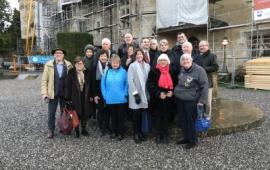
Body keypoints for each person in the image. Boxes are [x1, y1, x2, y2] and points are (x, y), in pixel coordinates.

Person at [174, 53, 208, 149]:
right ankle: (186, 137)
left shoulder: (199, 70)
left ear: (191, 60)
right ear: (181, 62)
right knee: (183, 120)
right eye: (183, 60)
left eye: (187, 59)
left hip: (191, 100)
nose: (185, 61)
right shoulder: (182, 69)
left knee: (190, 120)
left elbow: (204, 86)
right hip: (181, 99)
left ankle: (193, 140)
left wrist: (202, 100)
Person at [41, 48, 73, 139]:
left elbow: (72, 79)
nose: (58, 54)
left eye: (60, 53)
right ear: (54, 55)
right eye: (56, 53)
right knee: (51, 113)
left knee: (64, 112)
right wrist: (44, 93)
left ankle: (63, 127)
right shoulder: (49, 65)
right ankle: (51, 130)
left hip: (65, 93)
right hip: (52, 93)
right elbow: (44, 80)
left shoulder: (69, 65)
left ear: (63, 55)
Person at [147, 54, 175, 144]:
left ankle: (166, 135)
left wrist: (172, 91)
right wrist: (158, 93)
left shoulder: (172, 71)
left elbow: (176, 83)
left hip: (168, 99)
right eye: (161, 60)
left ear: (168, 62)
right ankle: (158, 135)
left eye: (164, 60)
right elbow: (150, 84)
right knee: (158, 118)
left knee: (167, 118)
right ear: (158, 61)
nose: (163, 62)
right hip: (157, 99)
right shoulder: (153, 71)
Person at [65, 56, 94, 138]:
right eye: (78, 63)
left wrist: (91, 95)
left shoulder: (87, 72)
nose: (80, 65)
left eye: (81, 63)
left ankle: (84, 129)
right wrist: (67, 99)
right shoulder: (71, 72)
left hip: (85, 96)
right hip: (75, 97)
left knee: (85, 114)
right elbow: (68, 86)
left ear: (83, 64)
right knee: (76, 114)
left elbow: (91, 85)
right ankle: (77, 130)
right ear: (75, 64)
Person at [101, 55, 128, 141]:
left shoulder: (124, 72)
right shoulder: (107, 72)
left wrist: (125, 93)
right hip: (110, 98)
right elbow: (102, 85)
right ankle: (114, 132)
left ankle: (120, 133)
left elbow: (127, 84)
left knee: (121, 117)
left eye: (117, 62)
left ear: (119, 63)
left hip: (121, 98)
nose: (115, 64)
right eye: (113, 62)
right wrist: (105, 95)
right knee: (113, 116)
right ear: (110, 63)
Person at [128, 49, 151, 143]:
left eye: (140, 54)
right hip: (136, 94)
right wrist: (135, 94)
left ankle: (141, 132)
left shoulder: (147, 66)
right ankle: (135, 134)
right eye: (137, 54)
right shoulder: (132, 66)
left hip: (144, 94)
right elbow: (130, 81)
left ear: (143, 55)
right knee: (136, 115)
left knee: (142, 114)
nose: (139, 56)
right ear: (135, 56)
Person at [198, 40, 219, 119]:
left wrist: (204, 69)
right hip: (198, 82)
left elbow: (216, 67)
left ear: (207, 46)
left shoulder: (212, 56)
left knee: (207, 101)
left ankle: (207, 117)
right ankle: (200, 116)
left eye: (203, 45)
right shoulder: (197, 56)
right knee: (200, 101)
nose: (202, 47)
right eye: (200, 46)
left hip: (207, 81)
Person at [93, 50, 110, 136]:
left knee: (107, 110)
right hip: (98, 92)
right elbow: (93, 82)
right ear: (99, 57)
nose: (103, 57)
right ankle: (101, 127)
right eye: (102, 56)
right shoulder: (95, 66)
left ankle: (107, 126)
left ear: (107, 57)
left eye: (105, 56)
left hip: (108, 92)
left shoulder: (109, 66)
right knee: (100, 110)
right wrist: (95, 95)